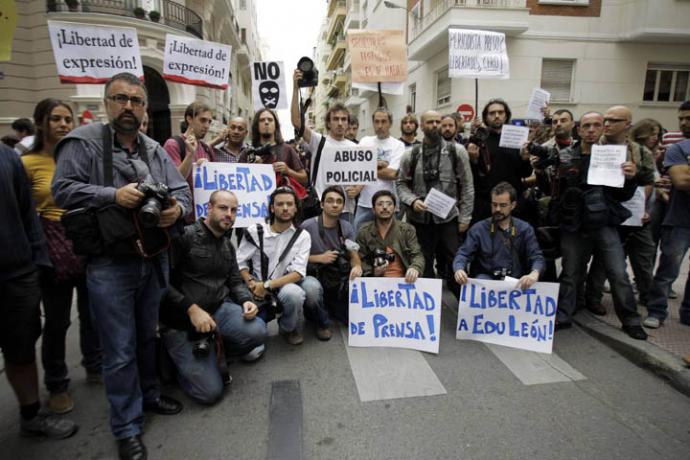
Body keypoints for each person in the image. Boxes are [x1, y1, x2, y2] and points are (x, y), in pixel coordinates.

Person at [52, 72, 192, 460]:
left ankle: (149, 396)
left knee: (147, 335)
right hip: (110, 264)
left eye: (136, 100)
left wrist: (176, 209)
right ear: (106, 103)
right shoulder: (83, 143)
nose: (128, 106)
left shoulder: (152, 149)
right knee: (119, 349)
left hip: (151, 257)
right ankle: (126, 427)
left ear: (145, 108)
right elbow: (62, 189)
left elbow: (183, 192)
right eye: (120, 99)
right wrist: (113, 195)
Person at [20, 98, 102, 415]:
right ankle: (57, 384)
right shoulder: (26, 164)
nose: (63, 124)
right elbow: (23, 211)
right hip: (49, 245)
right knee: (57, 320)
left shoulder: (82, 157)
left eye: (68, 119)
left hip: (83, 239)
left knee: (92, 311)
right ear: (41, 122)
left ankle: (95, 364)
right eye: (56, 118)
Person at [539, 111, 646, 339]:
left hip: (604, 222)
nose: (591, 130)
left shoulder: (614, 156)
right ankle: (564, 315)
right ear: (579, 129)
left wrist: (631, 177)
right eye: (586, 125)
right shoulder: (566, 155)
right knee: (570, 272)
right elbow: (553, 189)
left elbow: (623, 196)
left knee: (618, 272)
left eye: (596, 125)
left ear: (602, 128)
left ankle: (630, 320)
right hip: (574, 223)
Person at [1, 143, 78, 439]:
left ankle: (31, 415)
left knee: (20, 350)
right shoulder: (25, 160)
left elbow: (28, 217)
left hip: (15, 274)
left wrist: (36, 266)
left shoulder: (8, 159)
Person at [160, 190, 266, 404]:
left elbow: (235, 281)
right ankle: (176, 364)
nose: (229, 214)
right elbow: (161, 282)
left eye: (234, 210)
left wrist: (245, 300)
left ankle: (216, 349)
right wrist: (191, 309)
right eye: (223, 208)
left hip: (217, 311)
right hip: (180, 321)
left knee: (258, 330)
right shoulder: (185, 236)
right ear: (209, 208)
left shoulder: (227, 245)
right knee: (210, 393)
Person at [584, 106, 656, 315]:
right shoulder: (594, 147)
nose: (607, 124)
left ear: (627, 125)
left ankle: (641, 303)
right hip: (601, 215)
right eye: (605, 119)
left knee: (635, 262)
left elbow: (649, 181)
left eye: (614, 120)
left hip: (632, 214)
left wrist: (641, 204)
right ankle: (593, 298)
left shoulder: (640, 152)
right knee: (601, 263)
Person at [396, 110, 474, 294]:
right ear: (421, 126)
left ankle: (464, 308)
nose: (435, 125)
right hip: (420, 221)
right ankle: (427, 308)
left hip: (448, 219)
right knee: (423, 264)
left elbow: (468, 186)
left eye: (438, 121)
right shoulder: (411, 154)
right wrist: (412, 200)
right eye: (430, 122)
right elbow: (400, 184)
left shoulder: (457, 151)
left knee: (457, 264)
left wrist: (465, 218)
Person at [237, 187, 312, 345]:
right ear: (272, 208)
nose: (285, 208)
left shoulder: (303, 236)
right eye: (280, 204)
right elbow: (240, 262)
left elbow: (298, 272)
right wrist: (251, 283)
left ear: (296, 208)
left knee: (295, 294)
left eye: (289, 204)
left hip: (284, 283)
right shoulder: (255, 230)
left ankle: (287, 328)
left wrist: (267, 285)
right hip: (256, 286)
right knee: (253, 349)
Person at [291, 69, 358, 221]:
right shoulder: (318, 141)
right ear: (328, 122)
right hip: (320, 209)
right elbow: (296, 122)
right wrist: (296, 89)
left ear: (348, 122)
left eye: (344, 119)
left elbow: (362, 177)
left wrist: (357, 188)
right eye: (335, 119)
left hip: (346, 211)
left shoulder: (355, 149)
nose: (340, 123)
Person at [644, 111, 690, 328]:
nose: (683, 122)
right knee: (669, 267)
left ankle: (687, 313)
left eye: (688, 118)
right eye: (681, 118)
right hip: (679, 218)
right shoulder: (678, 148)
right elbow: (682, 181)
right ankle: (656, 311)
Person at [452, 182, 544, 289]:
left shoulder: (525, 229)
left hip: (516, 282)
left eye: (503, 205)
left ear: (513, 205)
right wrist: (459, 269)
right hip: (486, 281)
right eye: (494, 205)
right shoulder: (478, 229)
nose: (498, 209)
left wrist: (534, 273)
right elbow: (463, 254)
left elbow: (536, 256)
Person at [301, 186, 363, 326]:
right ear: (322, 204)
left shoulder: (346, 227)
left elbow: (353, 253)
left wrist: (357, 266)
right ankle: (319, 322)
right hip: (312, 273)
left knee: (348, 318)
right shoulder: (307, 226)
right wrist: (319, 258)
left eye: (339, 201)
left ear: (343, 206)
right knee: (312, 291)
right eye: (330, 201)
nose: (335, 205)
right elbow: (293, 259)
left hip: (335, 276)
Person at [467, 99, 532, 222]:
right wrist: (473, 160)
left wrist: (525, 159)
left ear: (506, 115)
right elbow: (473, 177)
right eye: (492, 113)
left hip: (514, 204)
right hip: (487, 204)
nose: (497, 116)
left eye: (500, 112)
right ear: (485, 117)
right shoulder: (479, 141)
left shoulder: (517, 138)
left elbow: (525, 173)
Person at [352, 107, 406, 231]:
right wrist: (378, 164)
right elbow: (355, 167)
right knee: (358, 241)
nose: (380, 125)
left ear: (390, 123)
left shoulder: (398, 145)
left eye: (383, 121)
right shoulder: (365, 141)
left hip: (388, 205)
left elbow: (392, 174)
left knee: (388, 243)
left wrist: (367, 167)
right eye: (376, 121)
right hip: (365, 203)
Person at [357, 190, 424, 282]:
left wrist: (415, 268)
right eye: (380, 204)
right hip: (375, 283)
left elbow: (417, 254)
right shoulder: (364, 232)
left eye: (389, 204)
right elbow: (360, 259)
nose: (385, 207)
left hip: (403, 280)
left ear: (395, 208)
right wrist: (373, 271)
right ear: (373, 209)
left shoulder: (406, 230)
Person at [240, 108, 308, 188]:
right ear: (256, 126)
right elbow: (237, 180)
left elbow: (304, 179)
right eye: (262, 120)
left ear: (276, 125)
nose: (266, 122)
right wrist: (251, 167)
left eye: (270, 120)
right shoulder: (248, 152)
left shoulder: (287, 150)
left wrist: (288, 171)